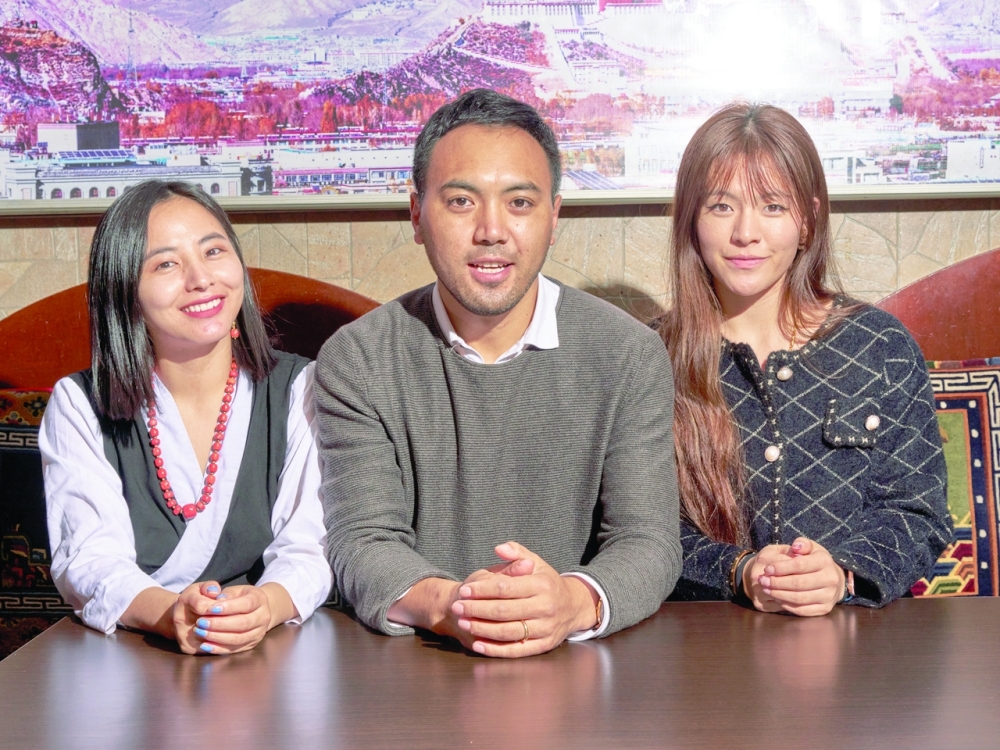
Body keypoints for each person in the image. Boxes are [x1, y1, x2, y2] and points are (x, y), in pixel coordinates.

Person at [314, 88, 680, 658]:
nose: (491, 230)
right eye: (461, 202)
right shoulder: (358, 357)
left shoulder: (627, 353)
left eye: (520, 203)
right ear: (416, 214)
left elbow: (647, 542)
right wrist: (453, 605)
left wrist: (568, 603)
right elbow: (362, 541)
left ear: (554, 217)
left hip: (579, 673)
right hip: (414, 671)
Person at [657, 103, 952, 615]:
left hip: (858, 651)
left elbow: (918, 513)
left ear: (809, 221)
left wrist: (842, 575)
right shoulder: (651, 357)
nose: (745, 232)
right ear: (691, 220)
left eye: (773, 207)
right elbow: (637, 530)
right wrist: (741, 571)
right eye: (721, 206)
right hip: (704, 653)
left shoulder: (881, 346)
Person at [40, 180, 332, 654]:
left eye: (214, 251)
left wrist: (265, 606)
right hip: (133, 656)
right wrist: (171, 614)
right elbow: (90, 560)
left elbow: (309, 544)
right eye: (166, 264)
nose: (201, 279)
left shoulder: (300, 387)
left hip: (274, 653)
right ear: (125, 290)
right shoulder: (79, 403)